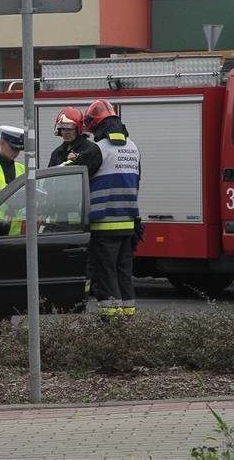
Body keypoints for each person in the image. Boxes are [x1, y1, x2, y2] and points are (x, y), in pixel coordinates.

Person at [83, 99, 141, 317]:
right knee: (123, 273)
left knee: (105, 274)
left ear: (96, 125)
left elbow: (75, 174)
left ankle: (111, 322)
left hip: (103, 224)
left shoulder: (98, 150)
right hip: (128, 224)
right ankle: (127, 317)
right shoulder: (134, 148)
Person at [48, 106, 102, 175]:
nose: (65, 132)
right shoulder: (57, 153)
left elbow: (90, 167)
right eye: (63, 129)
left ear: (78, 129)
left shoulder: (91, 149)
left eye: (69, 128)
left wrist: (77, 158)